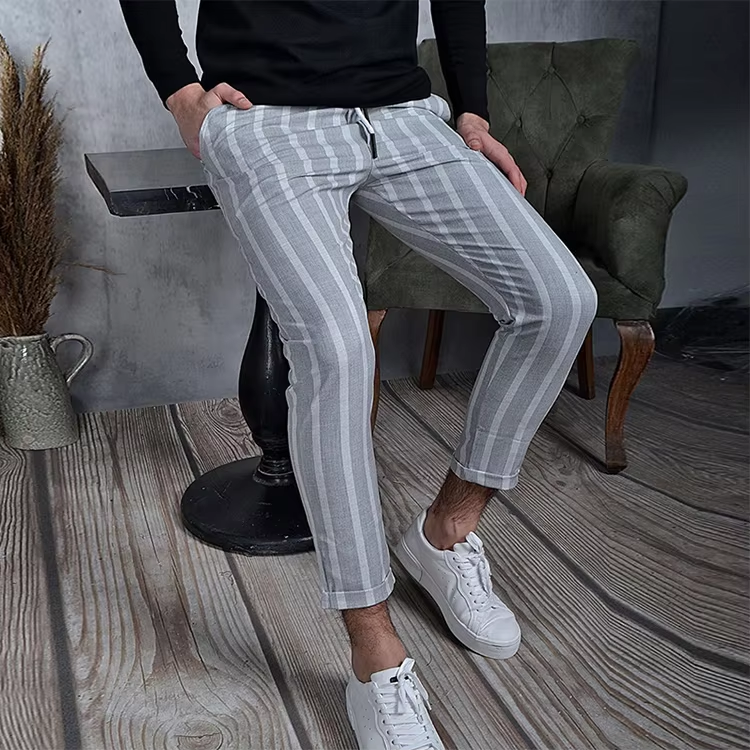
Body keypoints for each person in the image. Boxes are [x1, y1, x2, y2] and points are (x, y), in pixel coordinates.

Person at [119, 2, 597, 748]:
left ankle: (447, 531)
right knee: (337, 354)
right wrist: (180, 91)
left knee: (560, 300)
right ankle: (375, 655)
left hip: (403, 116)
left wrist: (472, 112)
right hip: (266, 121)